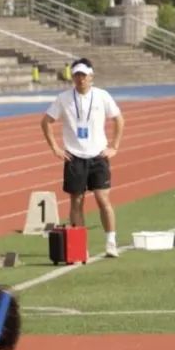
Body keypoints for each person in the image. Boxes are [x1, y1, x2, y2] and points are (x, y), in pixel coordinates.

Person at [40, 58, 123, 258]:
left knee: (103, 199)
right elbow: (46, 122)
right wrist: (55, 148)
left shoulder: (102, 96)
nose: (80, 79)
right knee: (76, 201)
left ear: (91, 76)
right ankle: (79, 246)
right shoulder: (64, 98)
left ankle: (111, 241)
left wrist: (114, 146)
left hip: (98, 155)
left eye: (83, 75)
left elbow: (119, 119)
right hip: (74, 157)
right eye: (76, 75)